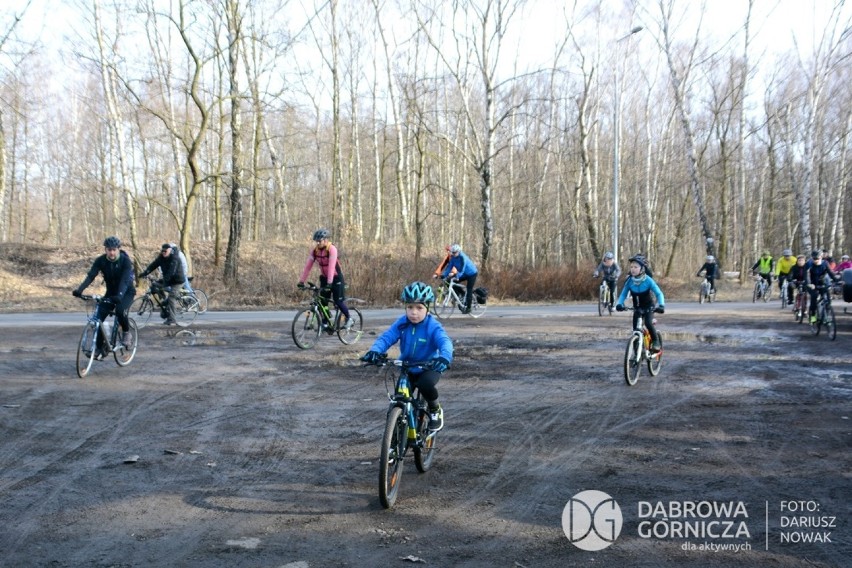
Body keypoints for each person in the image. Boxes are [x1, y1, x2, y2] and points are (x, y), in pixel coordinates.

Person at [360, 282, 453, 431]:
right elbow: (387, 337)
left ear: (428, 308)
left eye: (419, 308)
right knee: (399, 399)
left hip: (429, 366)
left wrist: (444, 358)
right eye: (410, 307)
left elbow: (445, 342)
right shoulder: (402, 323)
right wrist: (375, 351)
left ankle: (435, 410)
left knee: (425, 385)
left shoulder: (432, 326)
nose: (414, 312)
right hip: (407, 366)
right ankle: (395, 437)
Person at [72, 236, 136, 355]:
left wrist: (120, 295)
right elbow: (91, 275)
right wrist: (79, 290)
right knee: (98, 317)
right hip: (111, 292)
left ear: (118, 249)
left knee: (120, 310)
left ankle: (126, 333)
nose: (111, 252)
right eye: (109, 249)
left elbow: (125, 281)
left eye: (114, 250)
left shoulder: (125, 261)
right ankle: (99, 348)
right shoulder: (101, 261)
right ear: (105, 250)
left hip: (126, 291)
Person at [298, 228, 353, 329]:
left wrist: (330, 283)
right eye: (316, 241)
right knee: (322, 302)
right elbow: (307, 267)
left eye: (320, 241)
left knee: (338, 301)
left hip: (336, 278)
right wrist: (301, 281)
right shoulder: (315, 251)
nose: (318, 243)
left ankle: (349, 318)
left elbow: (332, 267)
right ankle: (325, 322)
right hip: (324, 278)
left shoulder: (332, 249)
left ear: (326, 240)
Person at [615, 255, 665, 353]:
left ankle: (655, 342)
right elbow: (623, 294)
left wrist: (661, 305)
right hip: (637, 308)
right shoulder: (629, 281)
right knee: (635, 330)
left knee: (648, 323)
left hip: (649, 307)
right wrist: (619, 304)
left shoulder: (648, 280)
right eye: (631, 267)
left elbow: (659, 293)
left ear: (642, 269)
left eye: (636, 267)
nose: (633, 269)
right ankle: (636, 354)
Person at [139, 242, 187, 325]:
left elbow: (171, 271)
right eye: (162, 251)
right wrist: (145, 273)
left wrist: (165, 280)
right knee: (155, 285)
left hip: (178, 281)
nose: (164, 253)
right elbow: (153, 265)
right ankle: (164, 301)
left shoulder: (174, 258)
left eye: (165, 251)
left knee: (172, 297)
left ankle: (172, 319)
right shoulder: (161, 258)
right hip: (168, 279)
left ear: (170, 251)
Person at [440, 244, 478, 313]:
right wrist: (444, 275)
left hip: (472, 273)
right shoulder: (453, 258)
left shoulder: (463, 257)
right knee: (450, 281)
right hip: (464, 274)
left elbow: (462, 269)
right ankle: (461, 295)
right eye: (452, 252)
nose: (453, 254)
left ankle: (469, 308)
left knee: (469, 289)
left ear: (458, 251)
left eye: (455, 253)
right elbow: (449, 267)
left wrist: (457, 276)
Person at [805, 250, 841, 324]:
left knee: (827, 299)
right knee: (814, 296)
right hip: (812, 284)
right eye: (814, 259)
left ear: (821, 257)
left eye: (817, 258)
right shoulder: (809, 264)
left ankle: (826, 315)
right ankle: (813, 316)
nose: (816, 260)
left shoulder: (825, 263)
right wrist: (809, 284)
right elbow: (806, 275)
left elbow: (830, 273)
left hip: (822, 282)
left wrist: (837, 280)